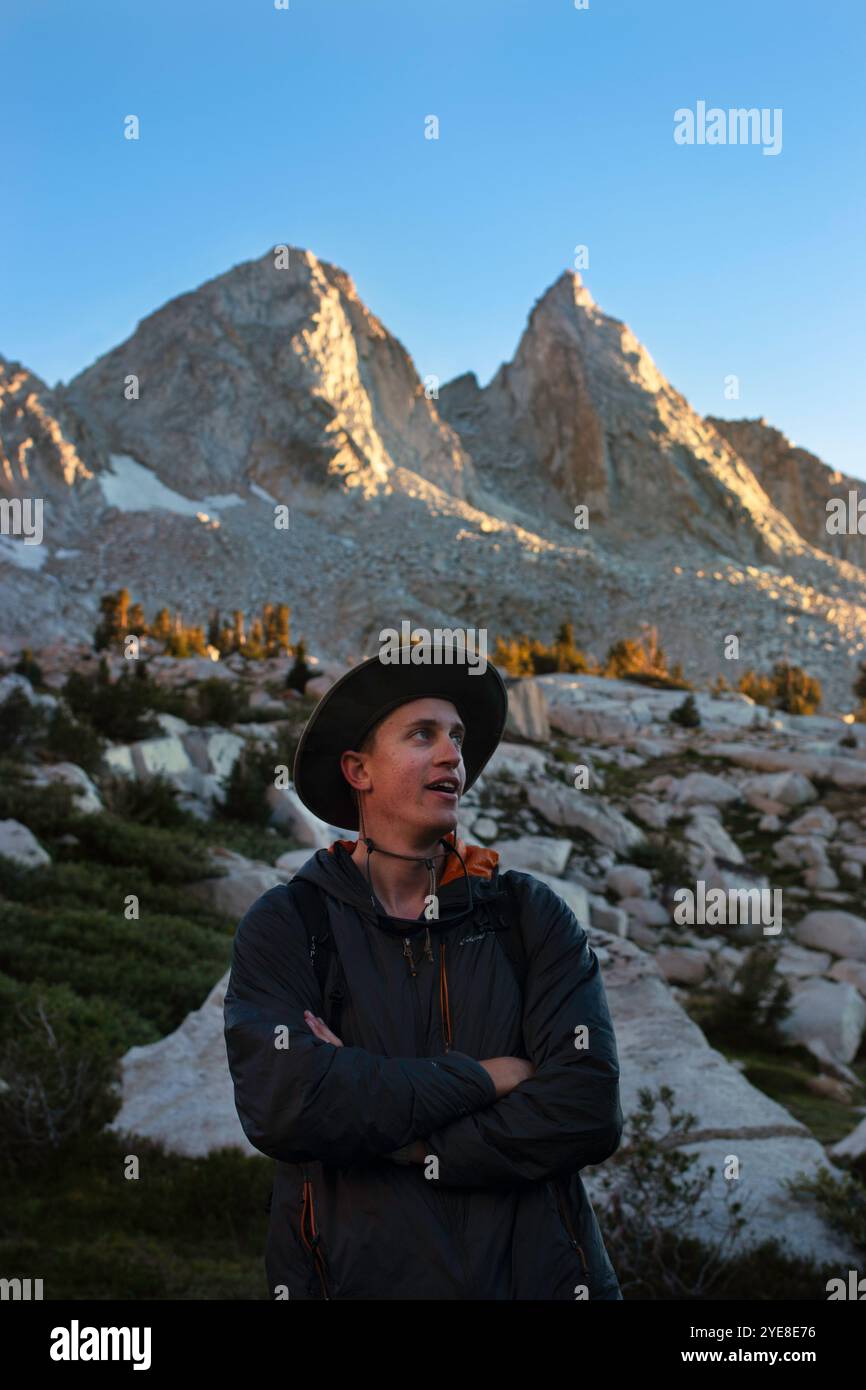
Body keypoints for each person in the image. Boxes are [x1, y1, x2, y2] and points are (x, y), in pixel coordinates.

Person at [223, 639, 624, 1299]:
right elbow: (290, 1104)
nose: (452, 756)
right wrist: (489, 1077)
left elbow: (587, 1108)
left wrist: (404, 1142)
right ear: (359, 770)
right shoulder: (289, 924)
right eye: (422, 734)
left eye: (458, 738)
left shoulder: (528, 915)